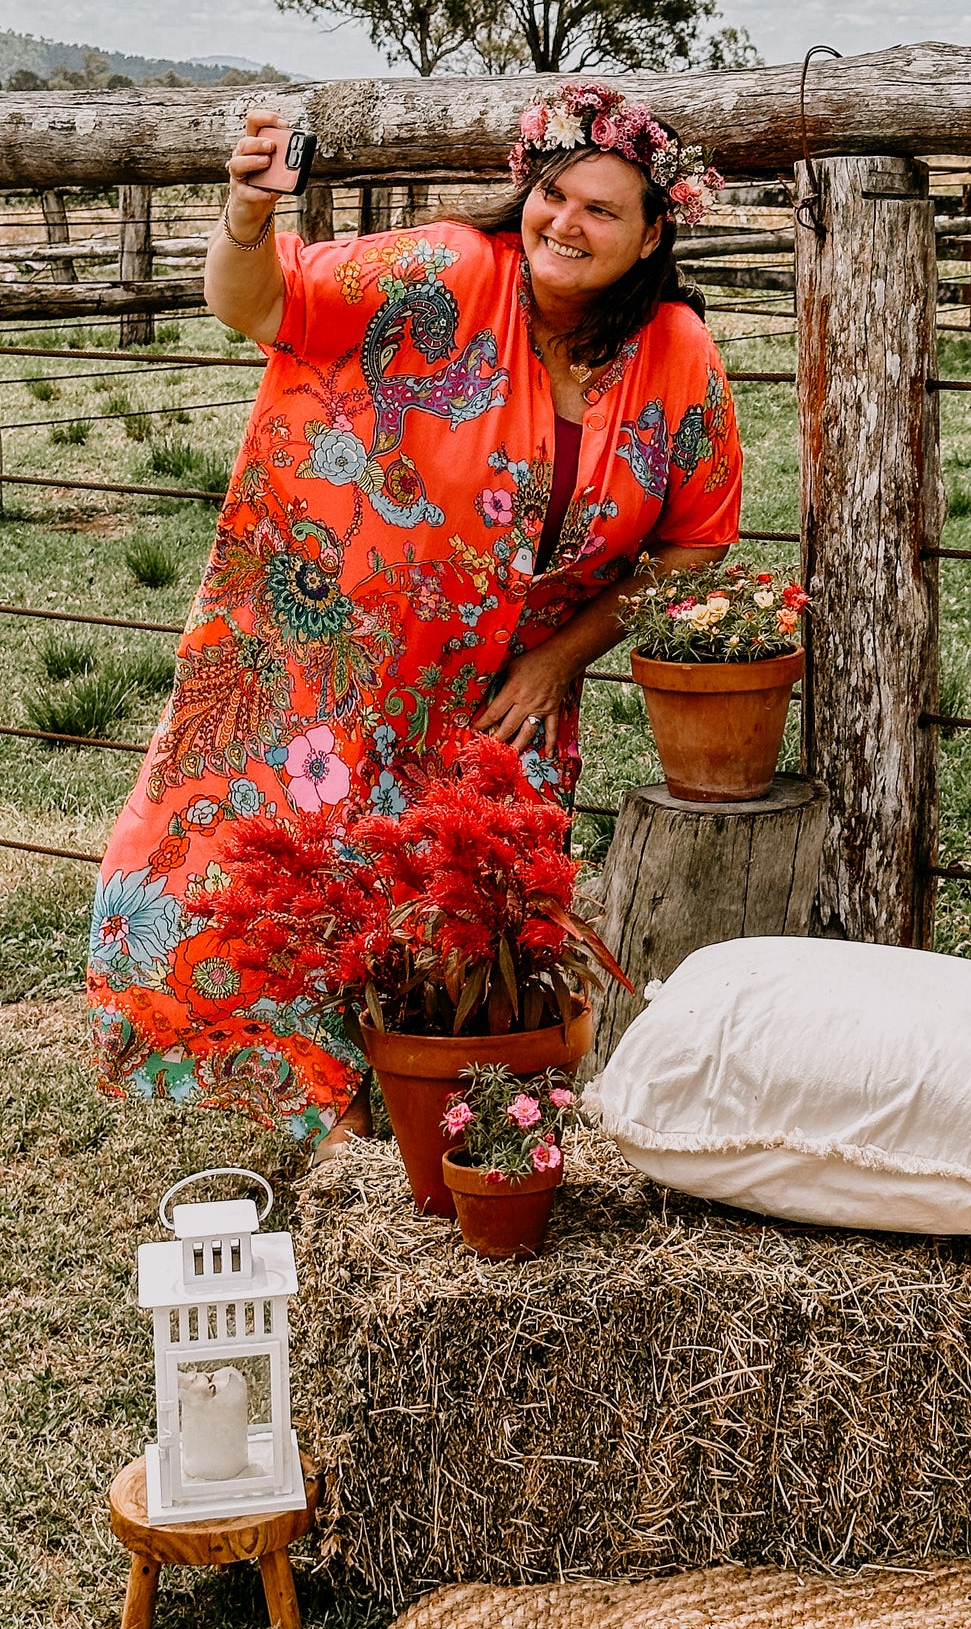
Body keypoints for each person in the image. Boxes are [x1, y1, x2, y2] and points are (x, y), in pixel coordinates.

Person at [86, 82, 742, 1152]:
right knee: (274, 882)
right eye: (553, 194)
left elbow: (697, 542)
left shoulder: (676, 357)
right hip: (342, 665)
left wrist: (561, 662)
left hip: (502, 702)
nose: (565, 224)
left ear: (651, 234)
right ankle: (337, 1119)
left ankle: (448, 1139)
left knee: (472, 929)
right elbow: (258, 306)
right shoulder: (445, 270)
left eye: (601, 210)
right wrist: (250, 216)